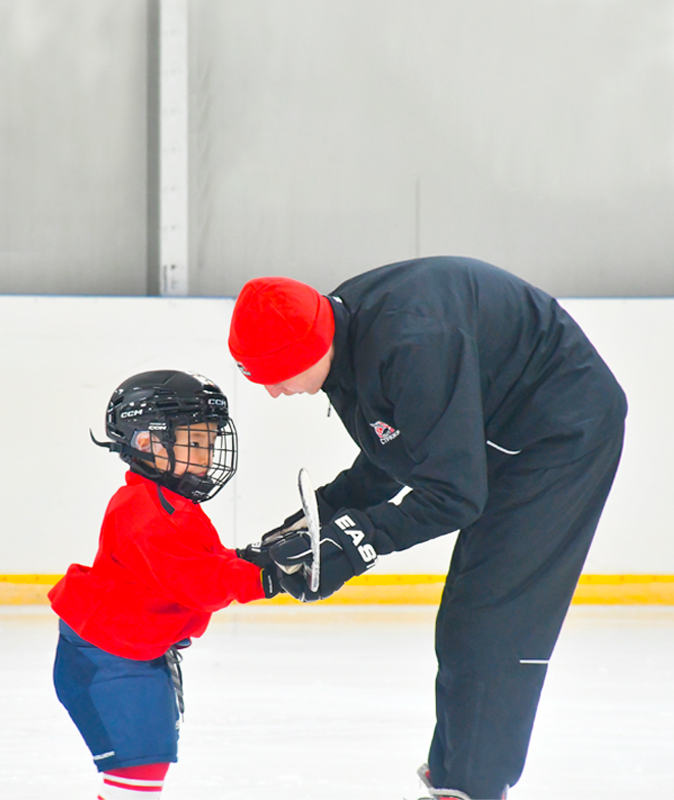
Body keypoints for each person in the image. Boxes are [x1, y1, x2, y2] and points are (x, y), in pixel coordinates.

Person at [228, 257, 627, 800]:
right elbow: (396, 452)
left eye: (271, 375)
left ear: (306, 351)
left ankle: (474, 788)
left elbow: (454, 493)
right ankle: (457, 782)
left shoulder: (409, 344)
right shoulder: (341, 331)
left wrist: (355, 542)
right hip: (498, 430)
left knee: (492, 618)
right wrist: (315, 521)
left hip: (560, 435)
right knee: (464, 618)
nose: (272, 392)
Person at [48, 370, 281, 800]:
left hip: (125, 656)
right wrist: (265, 577)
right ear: (144, 443)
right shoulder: (145, 512)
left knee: (142, 778)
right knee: (137, 781)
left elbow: (202, 562)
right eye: (194, 443)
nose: (207, 455)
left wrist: (253, 559)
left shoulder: (166, 502)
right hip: (107, 663)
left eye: (209, 443)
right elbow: (200, 582)